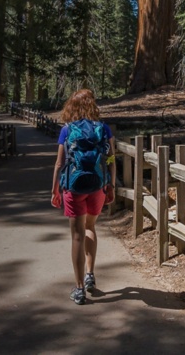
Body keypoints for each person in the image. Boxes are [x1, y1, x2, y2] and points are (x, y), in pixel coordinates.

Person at [51, 89, 114, 305]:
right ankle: (90, 274)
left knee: (77, 235)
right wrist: (111, 185)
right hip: (97, 186)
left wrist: (55, 190)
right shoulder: (103, 129)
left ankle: (79, 289)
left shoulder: (67, 130)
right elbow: (110, 159)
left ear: (72, 106)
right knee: (90, 228)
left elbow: (60, 164)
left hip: (74, 188)